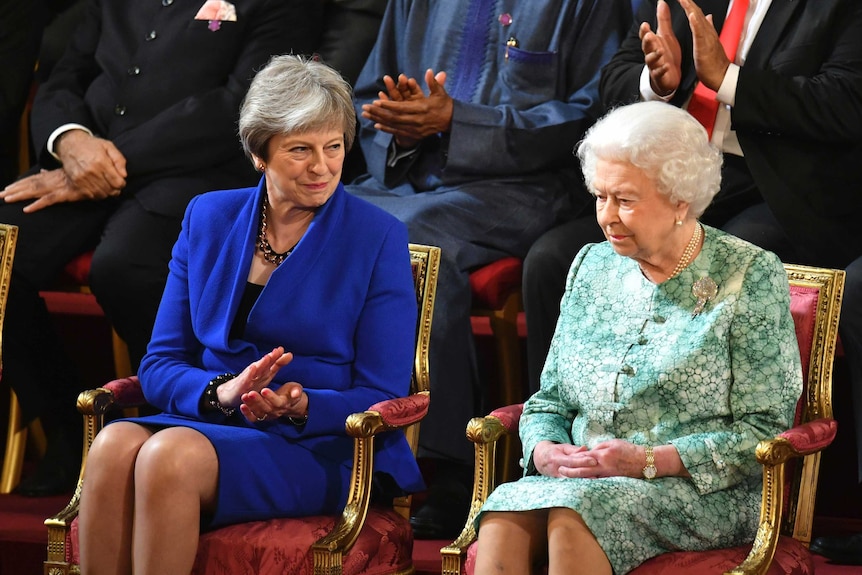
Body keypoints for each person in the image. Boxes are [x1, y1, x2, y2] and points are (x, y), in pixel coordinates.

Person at [76, 54, 425, 575]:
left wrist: (301, 405)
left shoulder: (376, 237)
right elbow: (161, 362)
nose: (321, 166)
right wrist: (221, 392)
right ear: (259, 154)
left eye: (333, 147)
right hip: (211, 418)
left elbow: (385, 388)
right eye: (300, 150)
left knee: (166, 456)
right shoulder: (208, 216)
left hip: (320, 445)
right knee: (112, 443)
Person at [0, 0, 322, 496]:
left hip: (193, 173)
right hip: (82, 163)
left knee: (123, 267)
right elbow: (65, 76)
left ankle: (177, 425)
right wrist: (70, 142)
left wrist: (112, 160)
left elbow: (243, 103)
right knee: (2, 252)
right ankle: (71, 425)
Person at [473, 101, 802, 575]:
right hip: (583, 480)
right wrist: (544, 450)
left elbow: (765, 431)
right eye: (600, 197)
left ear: (679, 200)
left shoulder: (748, 274)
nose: (607, 216)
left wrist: (648, 461)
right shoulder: (591, 265)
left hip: (701, 491)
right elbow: (549, 402)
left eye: (625, 200)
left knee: (574, 515)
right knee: (506, 510)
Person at [344, 0, 633, 538]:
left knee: (416, 241)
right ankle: (341, 440)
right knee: (323, 221)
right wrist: (401, 127)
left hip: (522, 188)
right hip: (406, 179)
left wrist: (461, 122)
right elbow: (369, 96)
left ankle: (448, 464)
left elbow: (596, 111)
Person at [522, 0, 862, 395]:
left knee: (718, 260)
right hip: (666, 178)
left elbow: (845, 103)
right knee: (552, 260)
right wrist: (657, 83)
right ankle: (555, 432)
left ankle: (670, 440)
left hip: (775, 187)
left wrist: (728, 79)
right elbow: (614, 79)